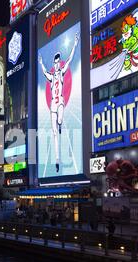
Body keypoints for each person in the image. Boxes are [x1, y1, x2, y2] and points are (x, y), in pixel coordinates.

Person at [38, 32, 80, 173]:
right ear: (53, 63)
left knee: (60, 119)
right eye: (55, 62)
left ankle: (61, 123)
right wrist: (41, 63)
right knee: (54, 133)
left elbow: (69, 59)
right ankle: (57, 160)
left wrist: (74, 44)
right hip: (52, 106)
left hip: (60, 101)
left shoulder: (61, 72)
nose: (56, 64)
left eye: (58, 62)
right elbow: (44, 72)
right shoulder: (51, 75)